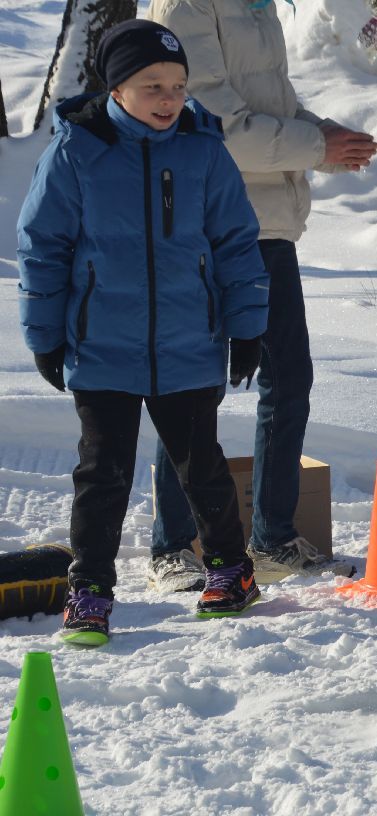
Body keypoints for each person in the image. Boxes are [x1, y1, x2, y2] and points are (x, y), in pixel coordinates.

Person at [17, 19, 269, 644]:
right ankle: (91, 590)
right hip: (101, 340)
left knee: (200, 465)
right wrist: (45, 334)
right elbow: (42, 247)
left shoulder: (203, 149)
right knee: (102, 472)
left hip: (190, 339)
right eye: (152, 84)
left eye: (178, 85)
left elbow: (237, 242)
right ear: (116, 88)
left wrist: (247, 327)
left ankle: (231, 571)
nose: (168, 99)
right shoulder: (78, 150)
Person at [144, 0, 377, 589]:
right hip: (207, 222)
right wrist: (314, 146)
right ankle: (172, 545)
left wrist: (325, 136)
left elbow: (270, 104)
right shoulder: (186, 6)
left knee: (288, 378)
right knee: (193, 384)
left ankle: (272, 536)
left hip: (268, 226)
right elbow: (216, 124)